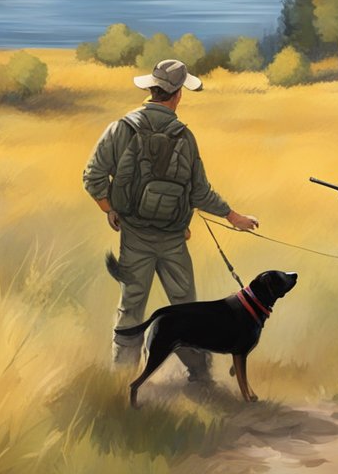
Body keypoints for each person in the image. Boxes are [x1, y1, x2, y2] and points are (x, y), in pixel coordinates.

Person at [84, 58, 259, 381]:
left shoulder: (120, 129)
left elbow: (92, 177)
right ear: (177, 94)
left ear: (151, 89)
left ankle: (121, 380)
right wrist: (234, 217)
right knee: (187, 308)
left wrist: (109, 208)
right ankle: (201, 377)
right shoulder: (185, 137)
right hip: (174, 240)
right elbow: (200, 192)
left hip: (134, 236)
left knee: (131, 307)